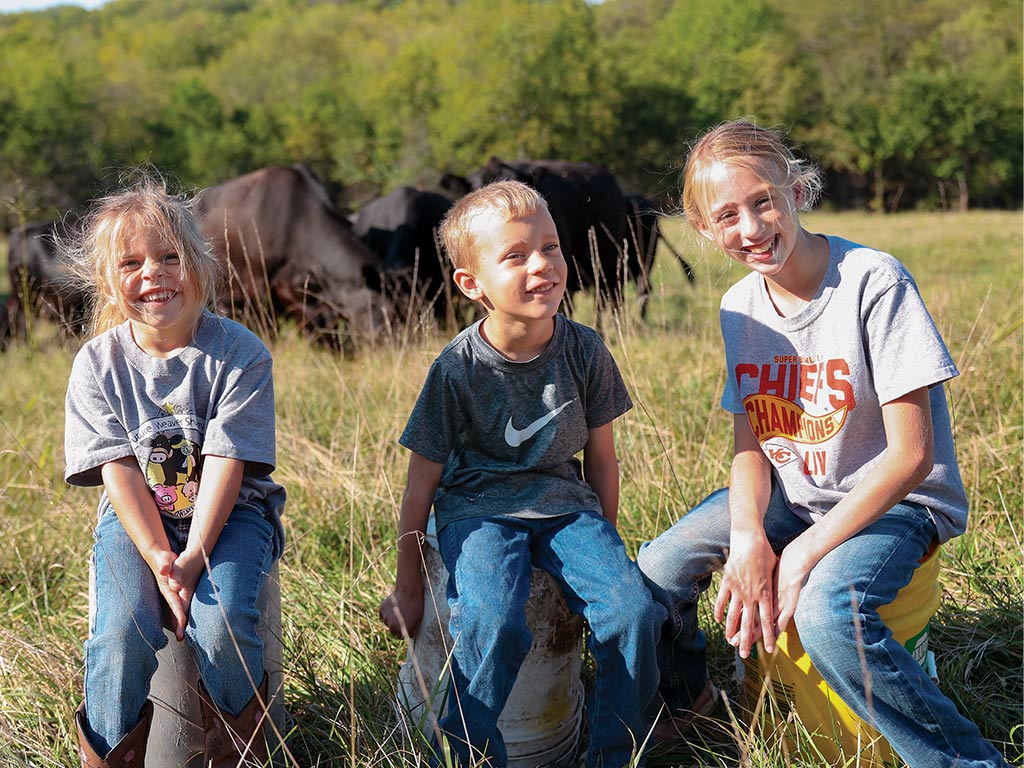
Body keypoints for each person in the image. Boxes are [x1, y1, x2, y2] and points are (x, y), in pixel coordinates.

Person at [636, 119, 1009, 767]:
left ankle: (965, 760)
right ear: (702, 230)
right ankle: (688, 697)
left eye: (762, 202)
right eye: (727, 216)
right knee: (657, 569)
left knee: (828, 617)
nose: (751, 228)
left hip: (897, 503)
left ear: (796, 190)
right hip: (793, 494)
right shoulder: (739, 307)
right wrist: (750, 536)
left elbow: (912, 455)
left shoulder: (873, 281)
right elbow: (749, 445)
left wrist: (804, 552)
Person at [378, 180, 664, 767]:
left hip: (568, 509)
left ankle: (615, 752)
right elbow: (419, 488)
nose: (542, 266)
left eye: (551, 247)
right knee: (493, 623)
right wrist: (408, 587)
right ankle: (469, 756)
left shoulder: (585, 351)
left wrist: (602, 549)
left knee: (633, 612)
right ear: (471, 284)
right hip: (478, 511)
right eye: (515, 255)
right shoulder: (457, 370)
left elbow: (602, 461)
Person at [63, 176, 286, 767]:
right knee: (120, 632)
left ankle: (241, 755)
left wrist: (191, 561)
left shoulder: (238, 353)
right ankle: (110, 756)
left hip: (230, 514)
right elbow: (119, 469)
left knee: (222, 624)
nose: (153, 274)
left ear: (200, 263)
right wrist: (162, 559)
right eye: (131, 262)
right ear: (106, 280)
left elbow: (227, 463)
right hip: (136, 519)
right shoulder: (98, 363)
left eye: (170, 256)